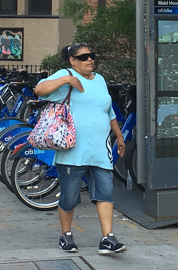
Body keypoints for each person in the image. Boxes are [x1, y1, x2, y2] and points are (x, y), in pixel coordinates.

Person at [34, 43, 127, 255]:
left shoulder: (100, 79)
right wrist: (68, 80)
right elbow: (39, 90)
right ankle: (66, 235)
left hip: (100, 151)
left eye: (91, 56)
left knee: (105, 193)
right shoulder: (65, 76)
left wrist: (119, 136)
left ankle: (108, 238)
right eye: (83, 57)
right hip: (73, 151)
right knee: (69, 196)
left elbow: (109, 110)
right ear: (72, 61)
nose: (89, 60)